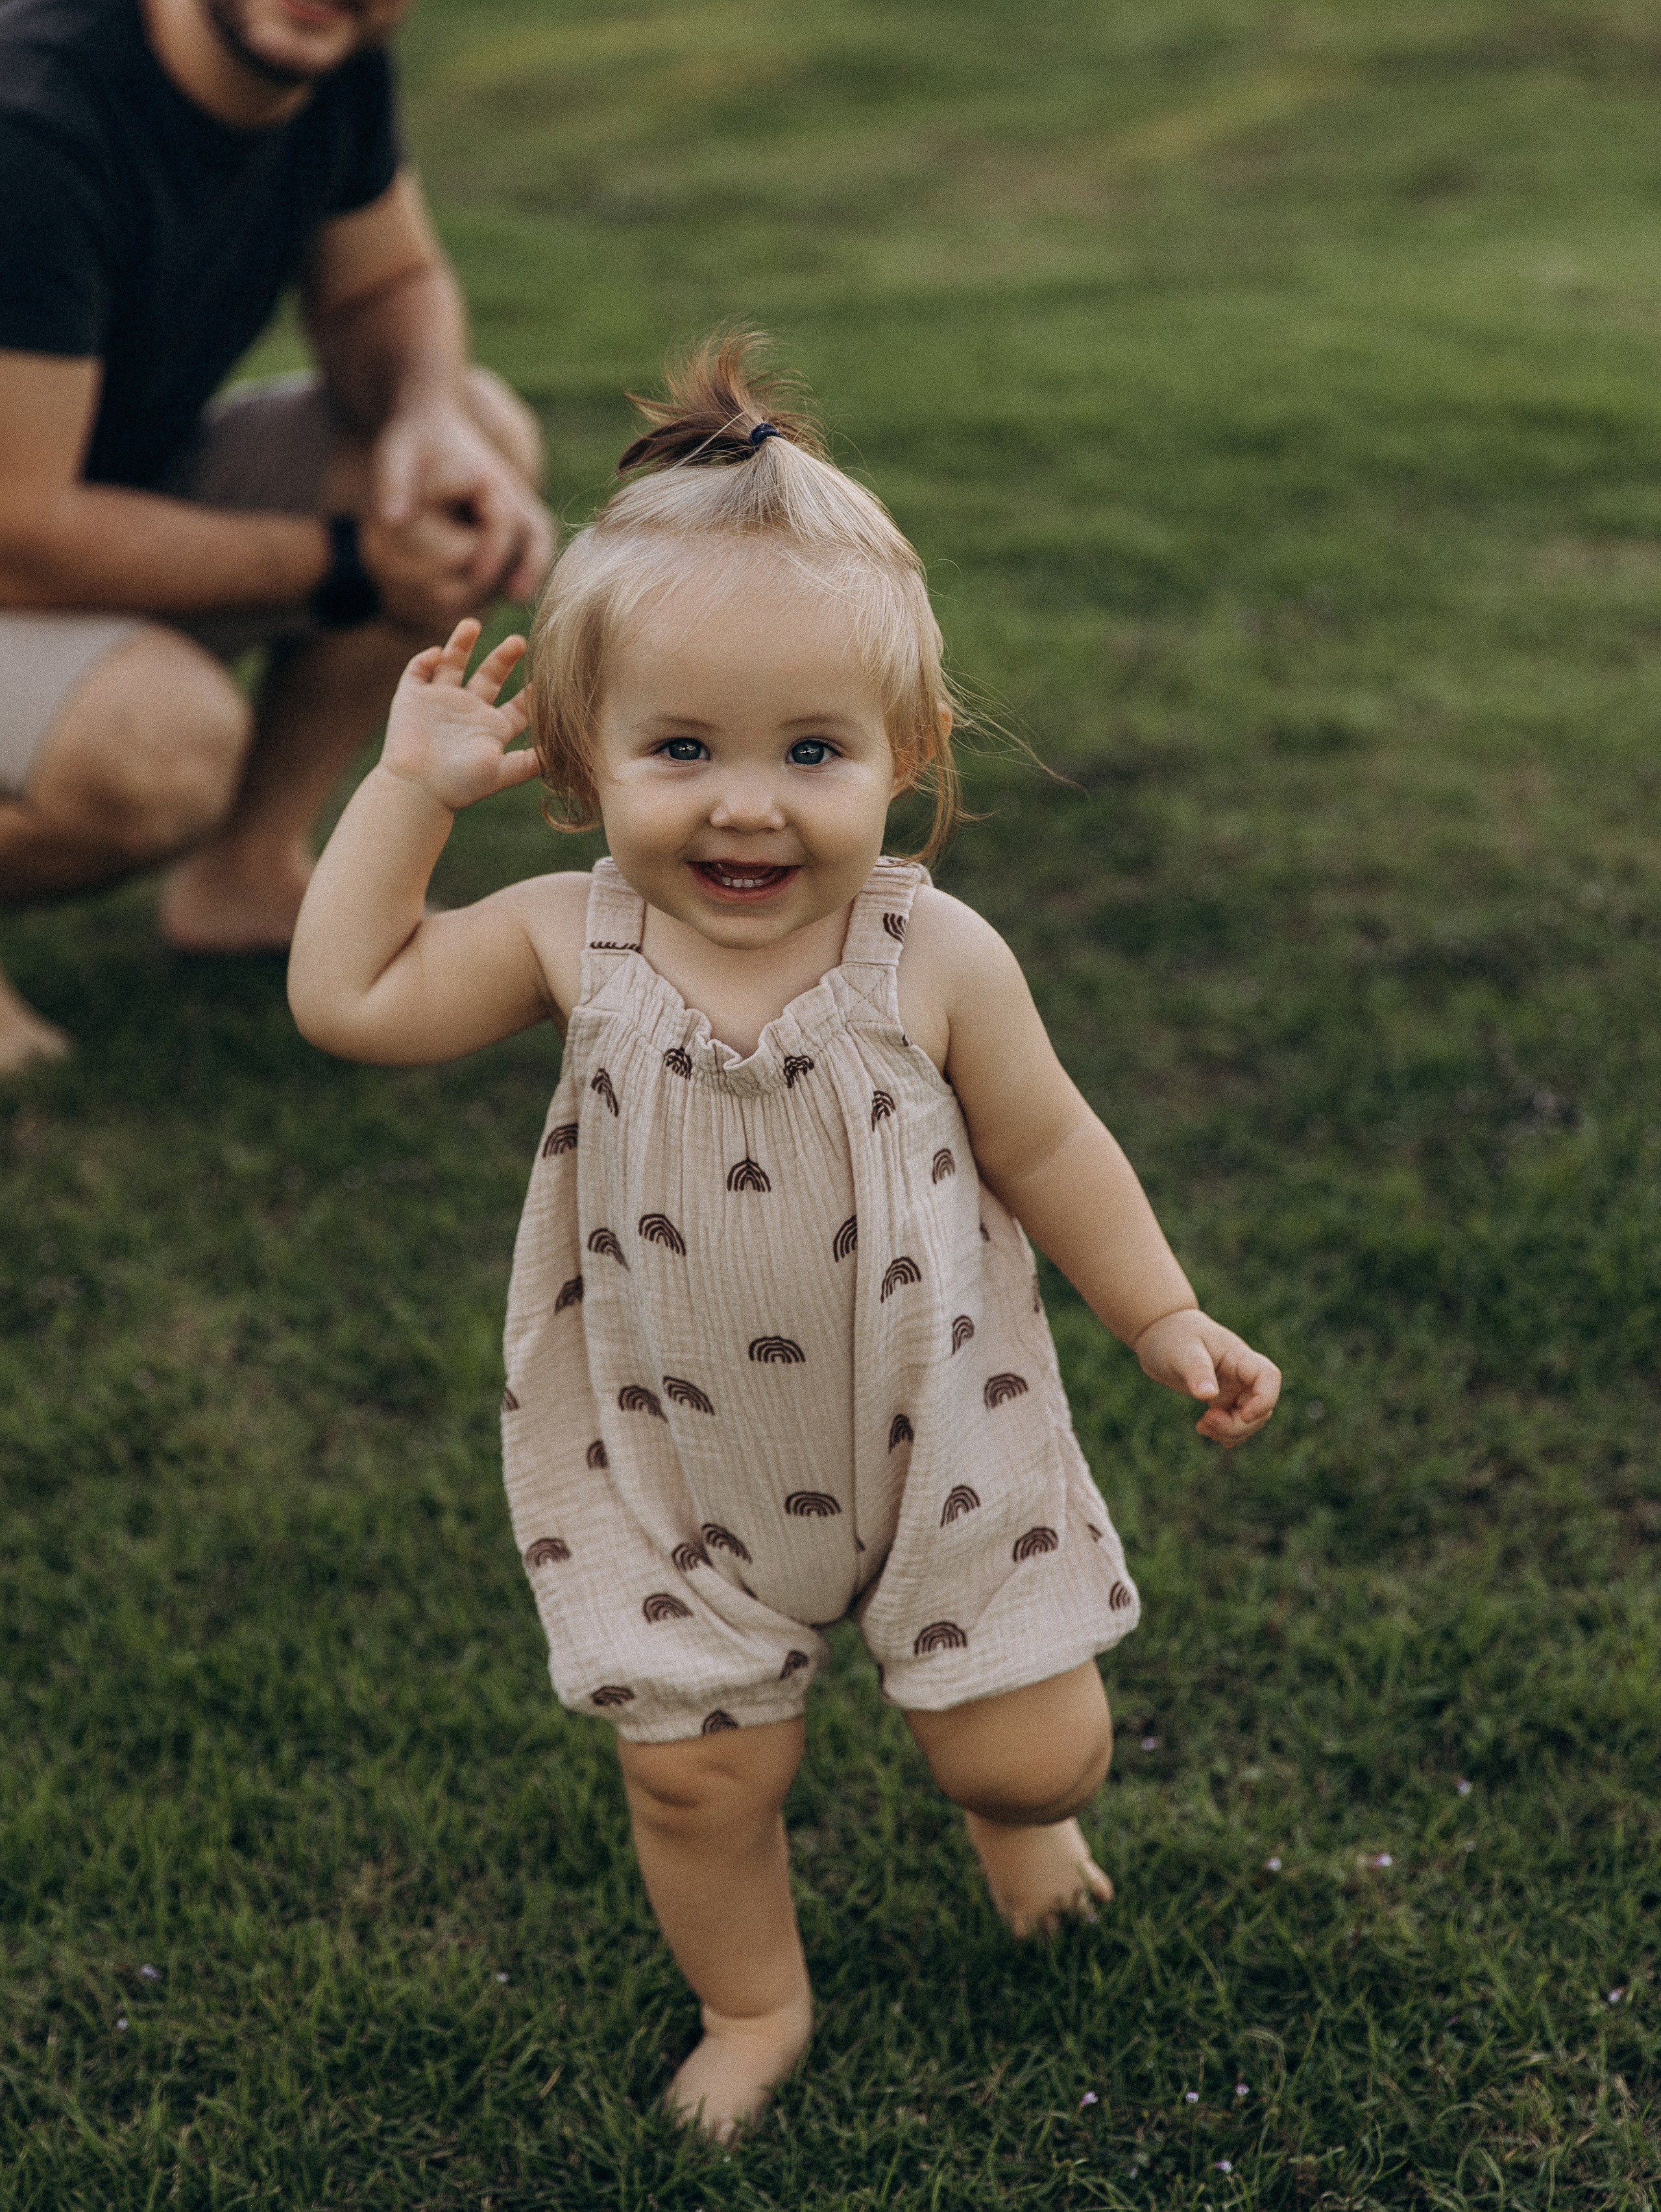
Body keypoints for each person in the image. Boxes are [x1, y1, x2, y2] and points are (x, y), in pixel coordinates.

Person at [285, 336, 1282, 2141]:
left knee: (1029, 1739)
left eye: (809, 750)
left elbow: (1050, 1142)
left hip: (943, 1434)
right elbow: (349, 998)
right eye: (683, 749)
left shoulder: (935, 958)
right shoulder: (559, 938)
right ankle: (756, 2003)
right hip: (673, 1459)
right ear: (584, 767)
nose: (746, 801)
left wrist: (1163, 1314)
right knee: (698, 1785)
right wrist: (410, 795)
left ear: (905, 758)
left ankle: (1021, 1818)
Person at [0, 0, 553, 1073]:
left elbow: (386, 283)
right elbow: (18, 531)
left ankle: (243, 873)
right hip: (18, 532)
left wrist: (428, 415)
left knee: (468, 450)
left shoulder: (327, 59)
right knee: (159, 740)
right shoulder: (33, 128)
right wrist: (348, 560)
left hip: (88, 494)